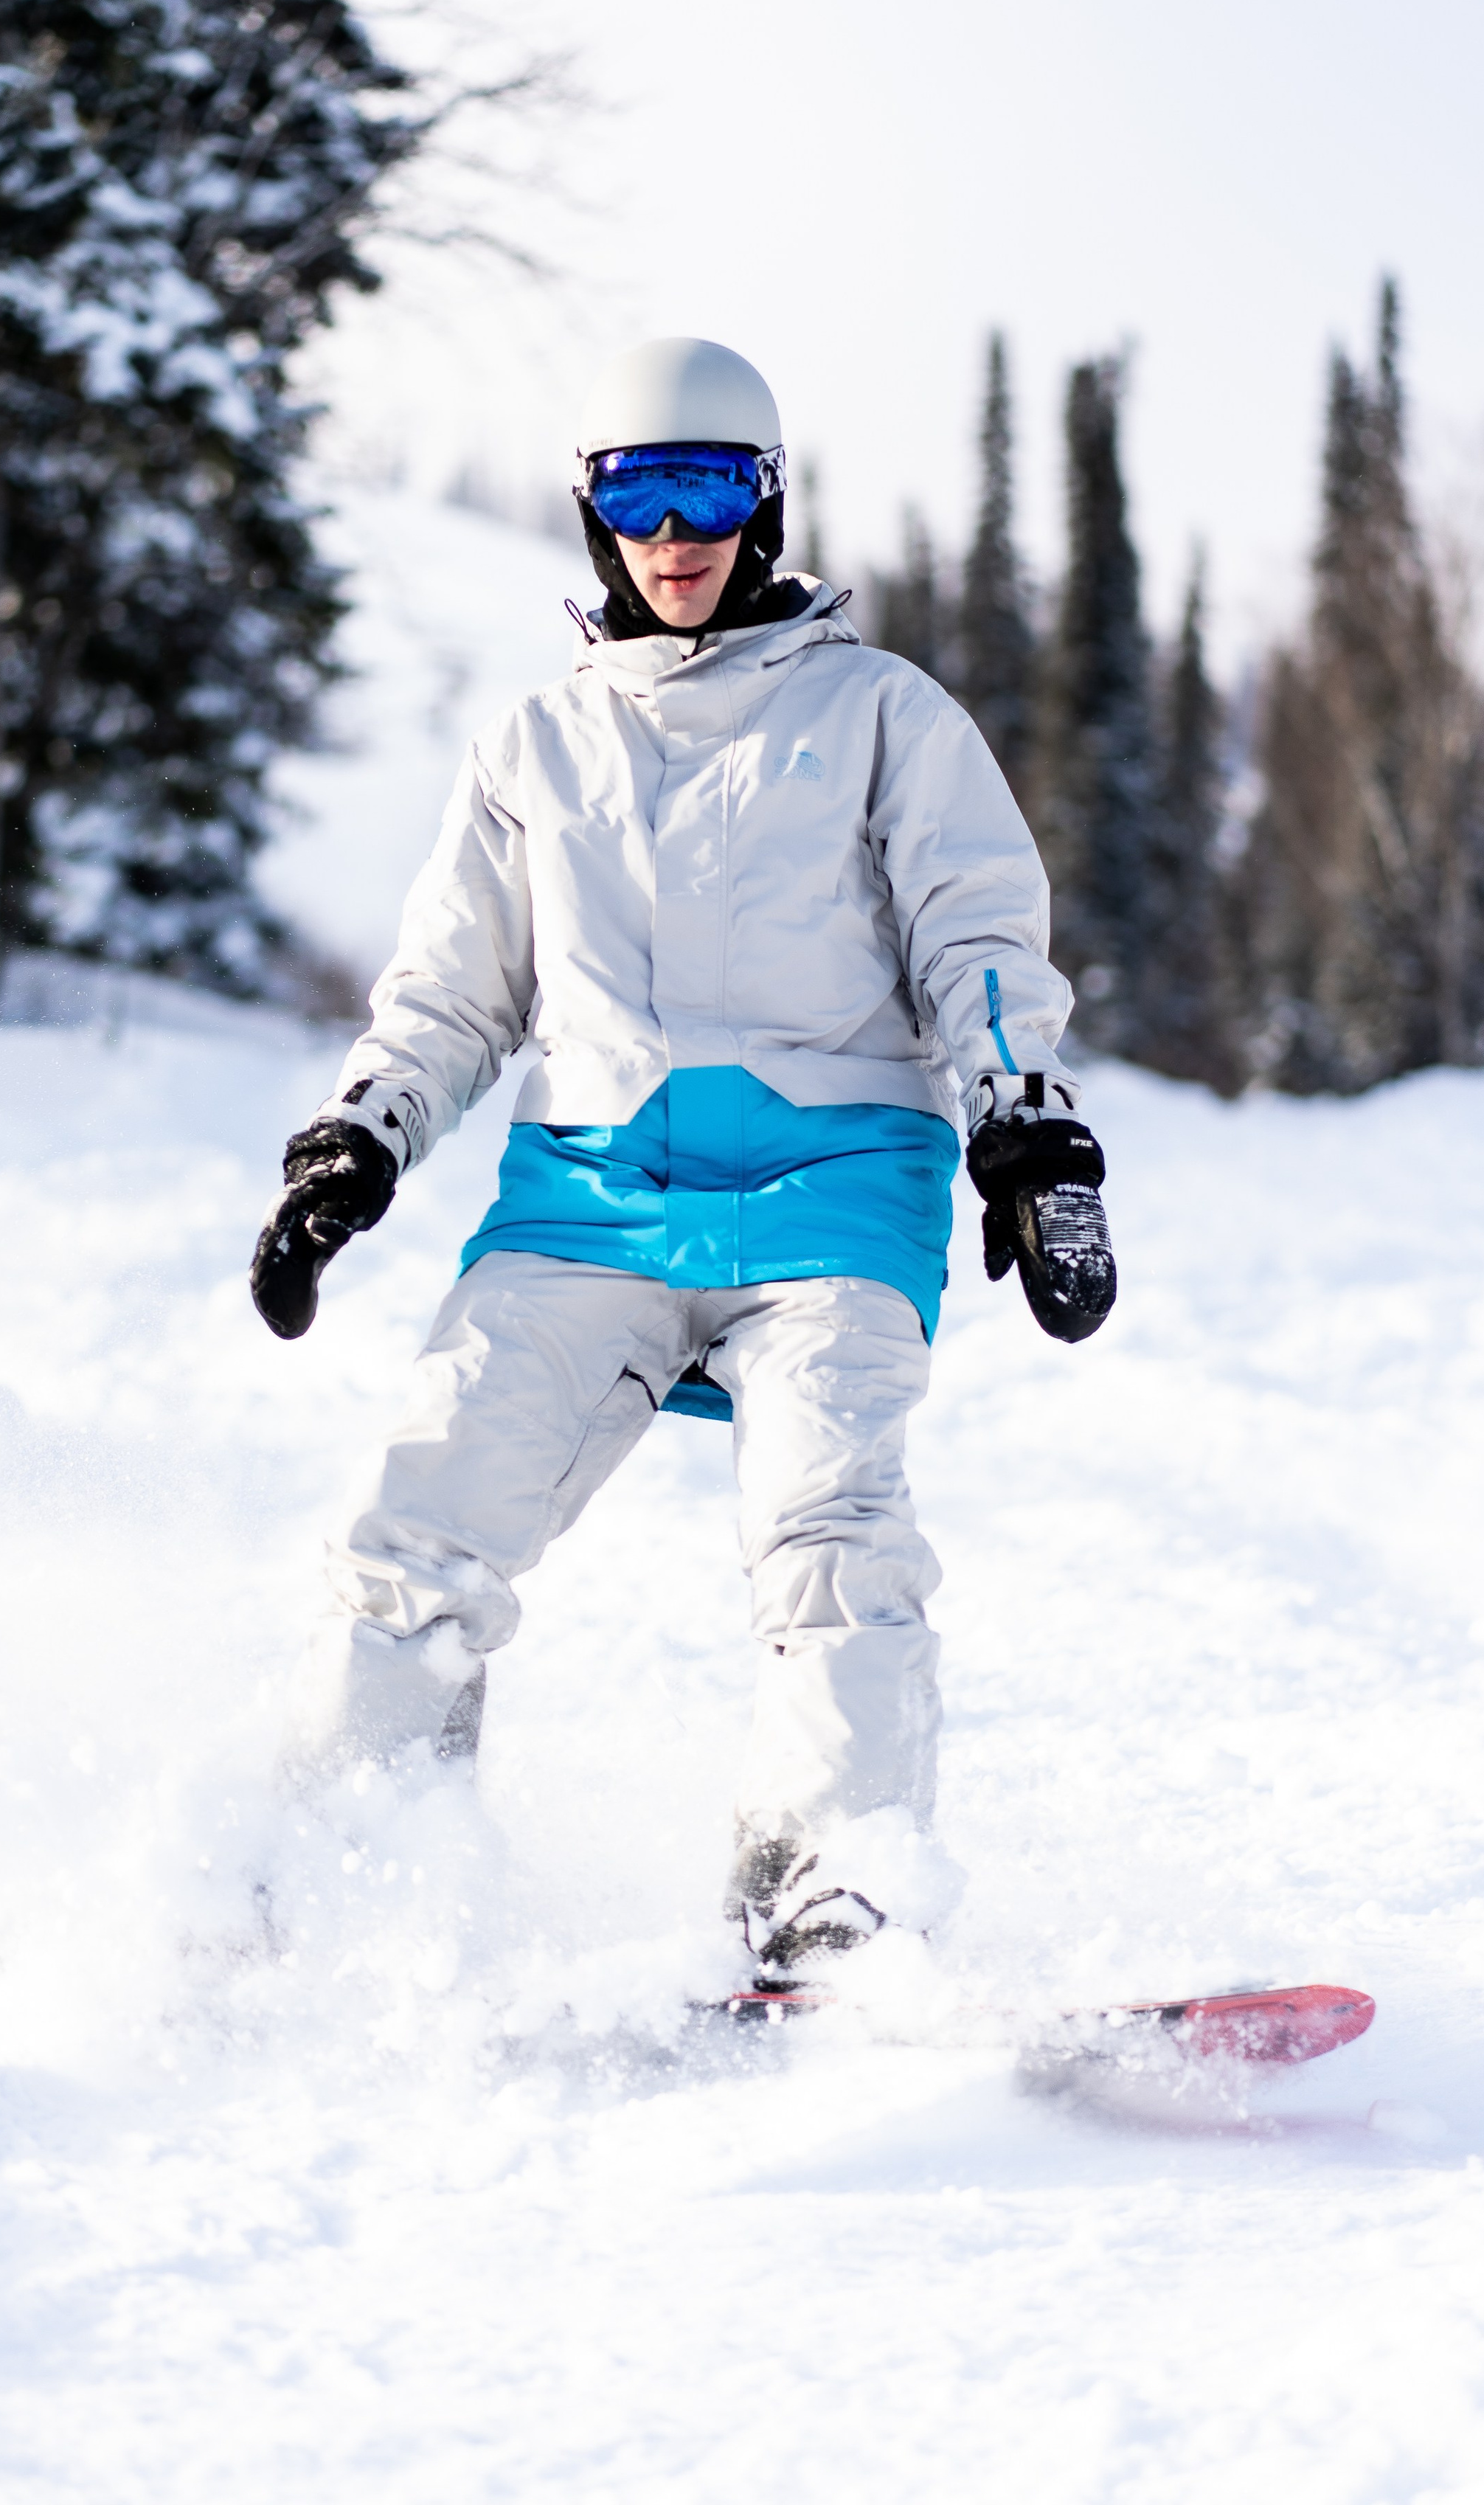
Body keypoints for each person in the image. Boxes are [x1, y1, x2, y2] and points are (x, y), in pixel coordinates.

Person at [252, 338, 1115, 1989]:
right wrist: (355, 1144)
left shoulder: (879, 717)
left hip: (832, 1196)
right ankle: (349, 1870)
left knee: (833, 1542)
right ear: (590, 515)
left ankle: (828, 1901)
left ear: (766, 504)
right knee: (415, 1525)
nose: (677, 531)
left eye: (713, 490)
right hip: (587, 1204)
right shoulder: (534, 746)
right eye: (638, 493)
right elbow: (453, 989)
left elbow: (977, 940)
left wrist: (1025, 1127)